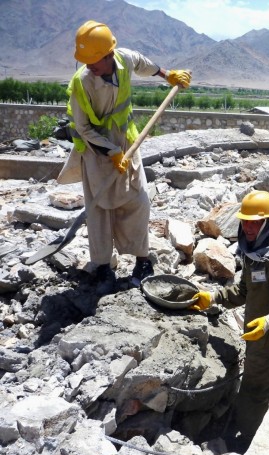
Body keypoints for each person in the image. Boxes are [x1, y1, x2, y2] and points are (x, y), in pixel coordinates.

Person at [57, 20, 191, 293]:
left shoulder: (124, 59)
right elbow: (82, 128)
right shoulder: (82, 82)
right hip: (96, 150)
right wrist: (111, 151)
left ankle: (143, 261)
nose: (89, 66)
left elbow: (144, 63)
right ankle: (103, 267)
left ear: (109, 55)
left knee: (138, 199)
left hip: (128, 142)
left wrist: (167, 75)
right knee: (100, 208)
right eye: (86, 61)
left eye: (94, 60)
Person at [190, 190, 269, 451]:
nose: (250, 227)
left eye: (256, 222)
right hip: (262, 339)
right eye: (246, 221)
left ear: (267, 223)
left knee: (251, 396)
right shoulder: (253, 252)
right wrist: (214, 296)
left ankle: (254, 442)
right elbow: (244, 291)